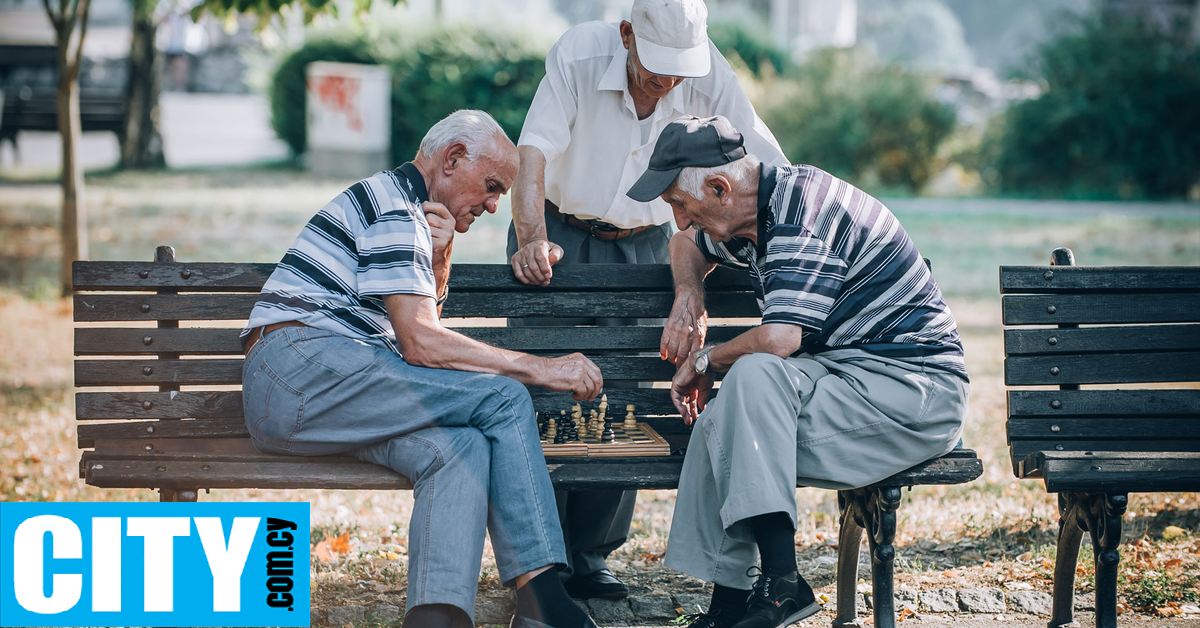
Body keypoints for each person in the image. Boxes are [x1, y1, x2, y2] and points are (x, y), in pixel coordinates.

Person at [241, 110, 601, 628]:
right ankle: (543, 601)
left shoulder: (406, 209)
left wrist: (441, 254)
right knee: (503, 397)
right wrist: (542, 369)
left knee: (460, 448)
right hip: (301, 371)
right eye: (492, 186)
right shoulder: (395, 207)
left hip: (325, 395)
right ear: (453, 159)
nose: (494, 205)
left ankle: (437, 617)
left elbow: (417, 331)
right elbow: (422, 344)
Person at [626, 115, 970, 628]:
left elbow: (780, 340)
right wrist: (689, 292)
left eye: (679, 203)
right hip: (845, 376)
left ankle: (781, 582)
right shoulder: (752, 212)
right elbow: (685, 246)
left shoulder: (800, 212)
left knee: (748, 383)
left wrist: (703, 359)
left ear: (719, 188)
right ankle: (733, 605)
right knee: (729, 412)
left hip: (913, 388)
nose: (678, 220)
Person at [507, 0, 787, 599]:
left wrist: (806, 227)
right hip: (558, 231)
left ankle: (590, 555)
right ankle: (539, 558)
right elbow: (532, 155)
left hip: (649, 243)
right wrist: (530, 237)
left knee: (624, 393)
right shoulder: (579, 53)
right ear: (627, 35)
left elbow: (767, 161)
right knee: (544, 391)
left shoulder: (706, 70)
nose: (671, 82)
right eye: (659, 66)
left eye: (681, 70)